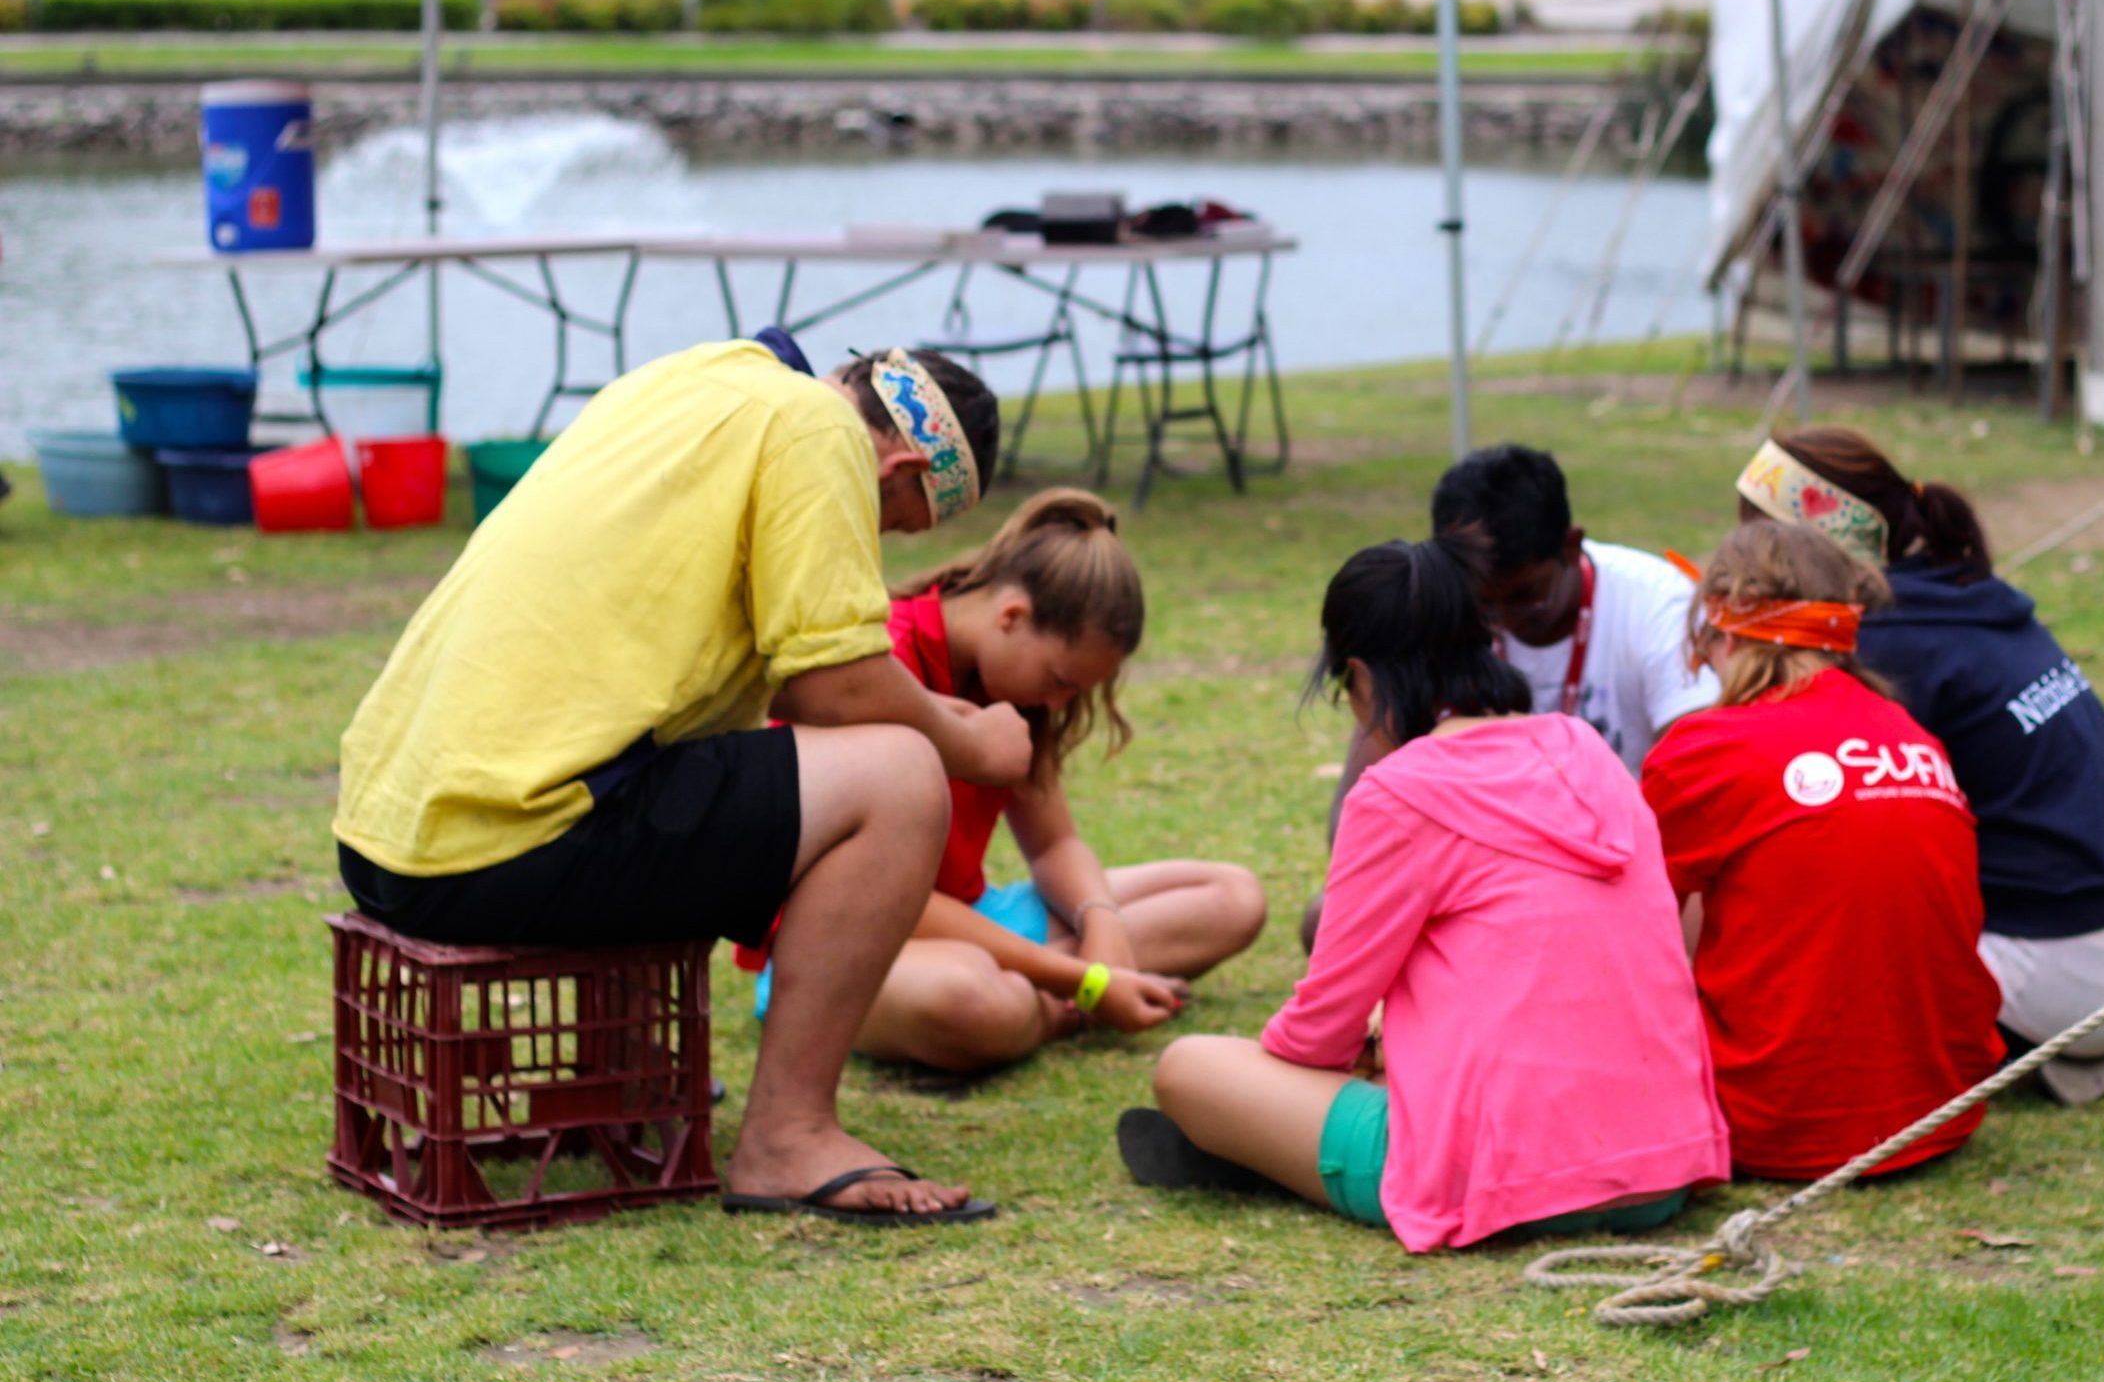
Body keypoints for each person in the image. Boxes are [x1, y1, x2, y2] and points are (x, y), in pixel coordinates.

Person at [335, 328, 1025, 1226]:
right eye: (895, 524)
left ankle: (622, 1084)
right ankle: (788, 1138)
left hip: (393, 835)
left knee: (691, 773)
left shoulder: (696, 383)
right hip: (503, 839)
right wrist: (969, 745)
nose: (879, 541)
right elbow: (836, 683)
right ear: (897, 466)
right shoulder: (819, 430)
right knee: (902, 776)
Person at [1120, 537, 1728, 1252]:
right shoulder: (1585, 749)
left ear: (1360, 679)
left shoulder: (1397, 795)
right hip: (1661, 1169)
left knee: (1189, 1069)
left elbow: (1318, 1032)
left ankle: (1267, 1152)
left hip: (1508, 1182)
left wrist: (1305, 1070)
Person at [740, 487, 1266, 1072]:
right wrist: (1083, 978)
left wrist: (1103, 926)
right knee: (973, 1002)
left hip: (976, 922)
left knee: (1233, 897)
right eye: (1060, 679)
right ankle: (1053, 1004)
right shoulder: (879, 663)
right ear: (1011, 616)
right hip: (850, 941)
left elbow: (1054, 843)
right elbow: (893, 901)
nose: (1060, 700)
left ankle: (1039, 1001)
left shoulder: (1013, 687)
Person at [1735, 429, 2104, 1105]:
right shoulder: (1965, 598)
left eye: (1761, 545)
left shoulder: (1884, 644)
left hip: (2047, 977)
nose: (1745, 567)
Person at [1641, 520, 2004, 1181]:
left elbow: (1626, 938)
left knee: (1655, 902)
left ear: (1722, 632)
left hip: (1775, 1129)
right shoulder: (1913, 734)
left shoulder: (1705, 751)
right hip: (1941, 1110)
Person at [1299, 443, 1722, 948]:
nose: (1501, 623)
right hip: (1482, 877)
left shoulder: (1659, 606)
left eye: (1525, 597)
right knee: (1327, 920)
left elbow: (1701, 791)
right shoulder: (1435, 615)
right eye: (1481, 604)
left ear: (1571, 546)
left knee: (1700, 905)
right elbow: (1353, 833)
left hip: (1623, 865)